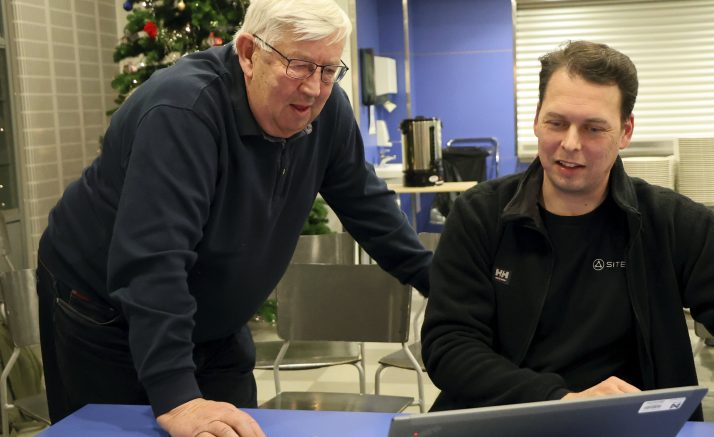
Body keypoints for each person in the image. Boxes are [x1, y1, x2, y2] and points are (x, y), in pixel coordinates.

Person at [37, 0, 431, 435]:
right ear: (248, 53)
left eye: (328, 69)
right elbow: (154, 259)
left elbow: (368, 206)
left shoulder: (327, 109)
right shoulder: (183, 110)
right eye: (299, 66)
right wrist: (179, 398)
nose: (314, 89)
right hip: (105, 311)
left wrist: (452, 287)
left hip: (212, 319)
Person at [421, 40, 714, 419]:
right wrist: (561, 402)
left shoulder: (670, 223)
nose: (570, 144)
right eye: (556, 123)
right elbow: (450, 345)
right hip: (507, 419)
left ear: (625, 132)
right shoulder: (481, 215)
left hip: (632, 424)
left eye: (594, 129)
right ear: (536, 119)